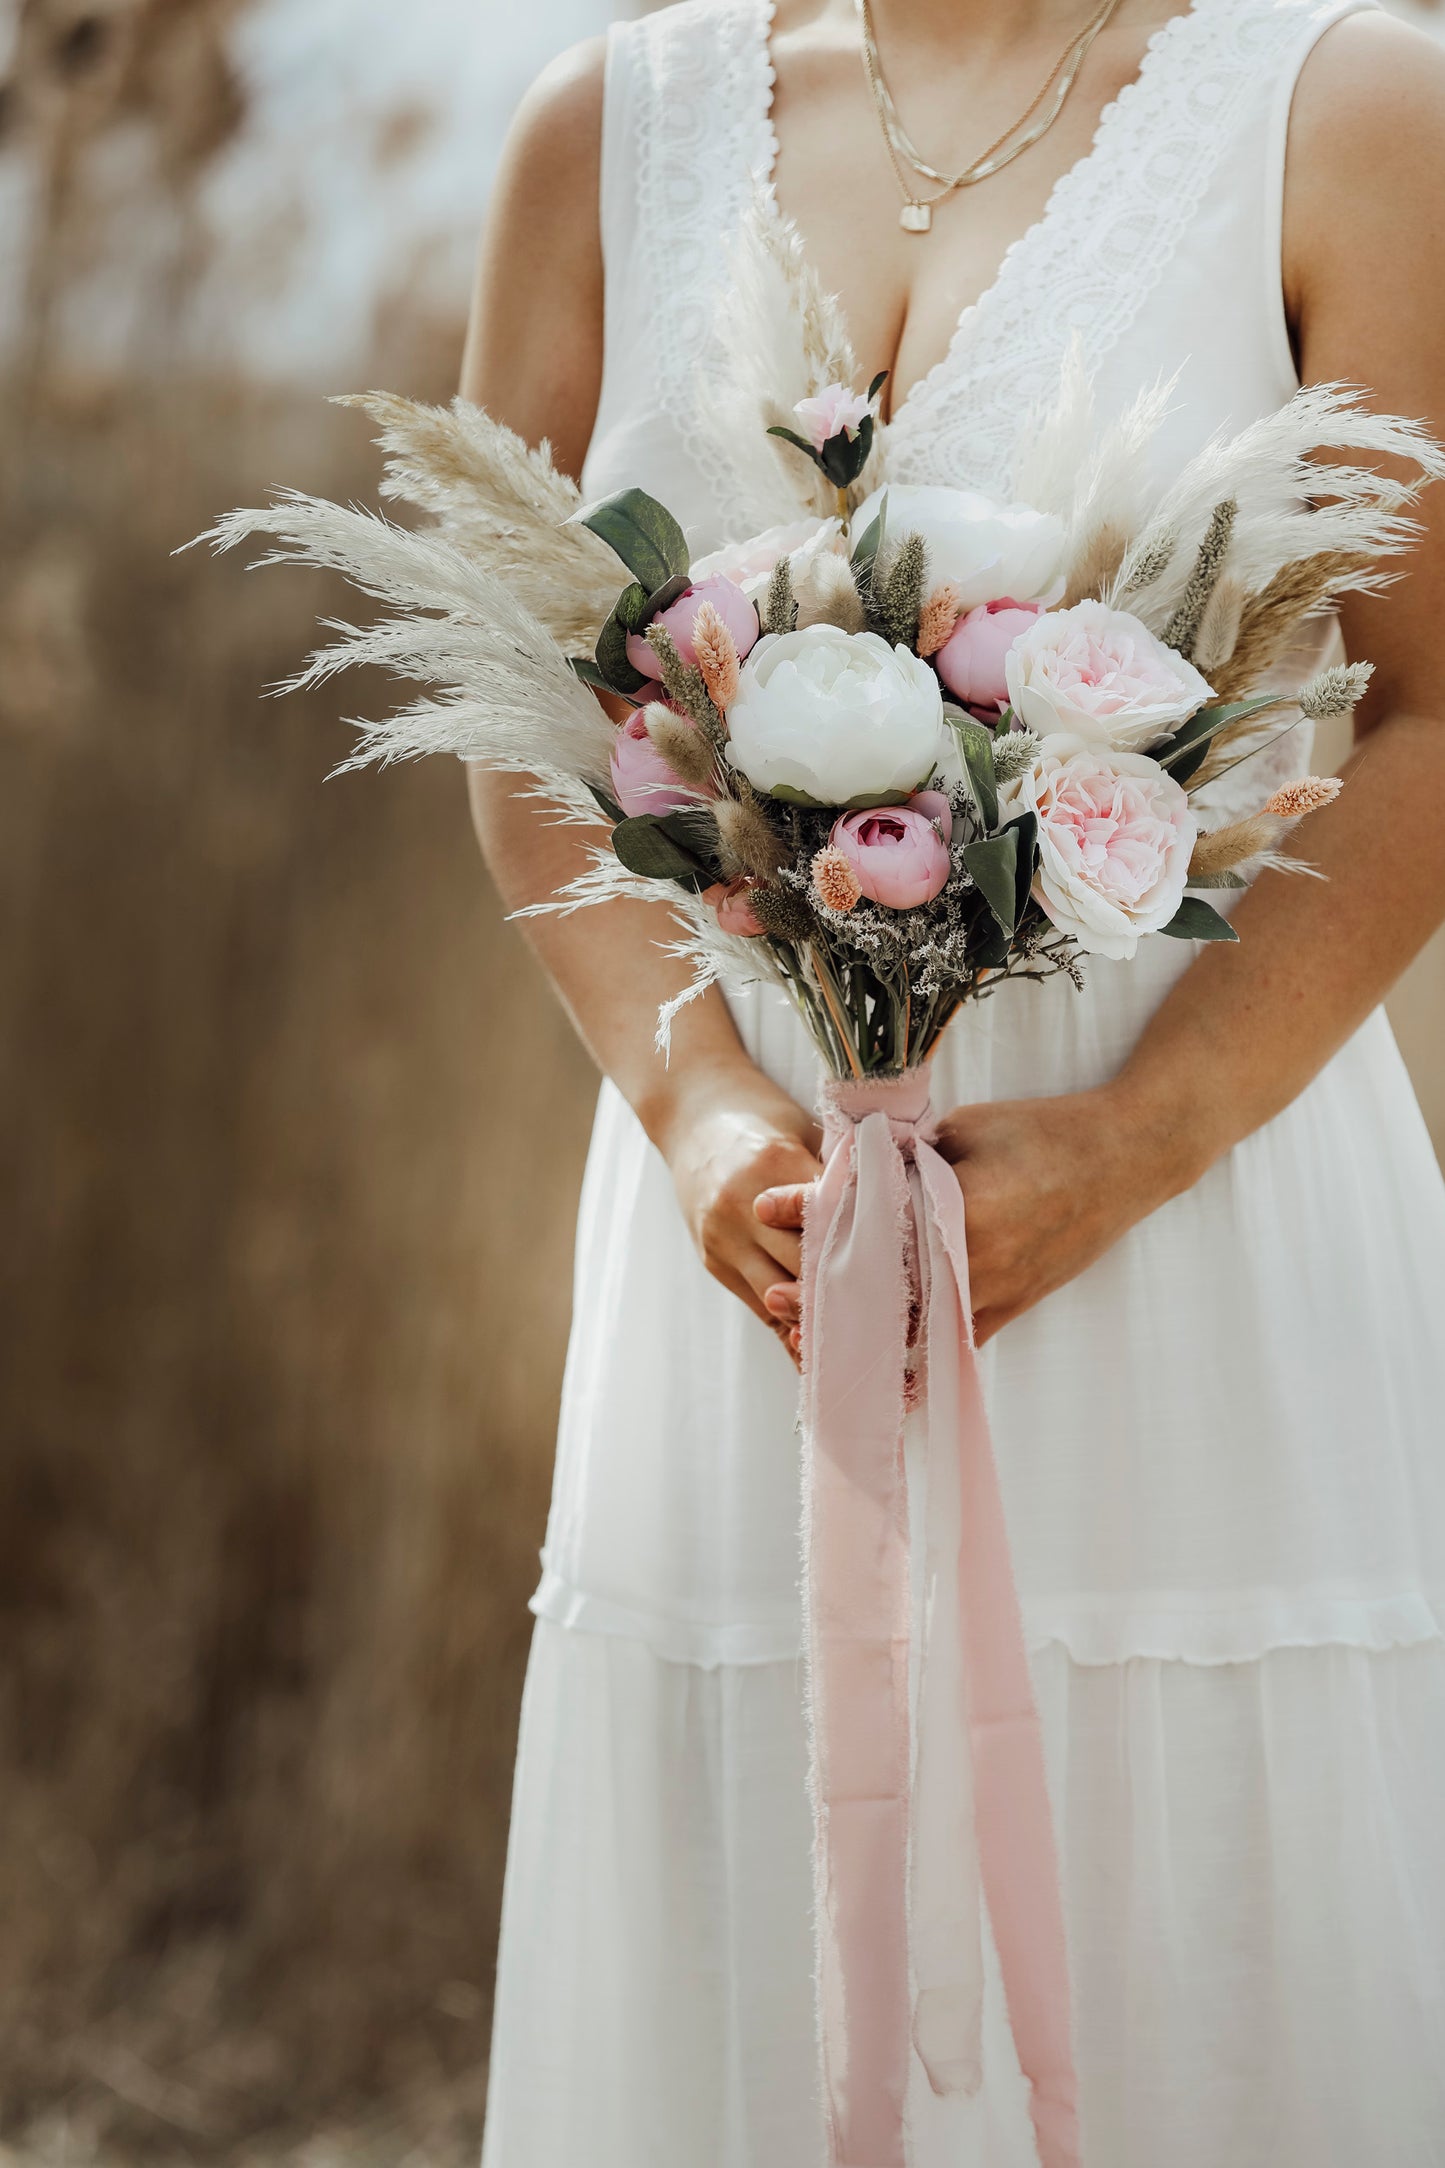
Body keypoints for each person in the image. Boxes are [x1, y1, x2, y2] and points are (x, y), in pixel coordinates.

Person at [465, 2, 1445, 2160]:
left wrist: (1137, 1141)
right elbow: (520, 747)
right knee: (760, 1912)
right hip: (753, 1246)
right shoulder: (602, 132)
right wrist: (704, 1110)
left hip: (1200, 1218)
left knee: (1209, 1939)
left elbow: (1432, 721)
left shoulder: (1347, 106)